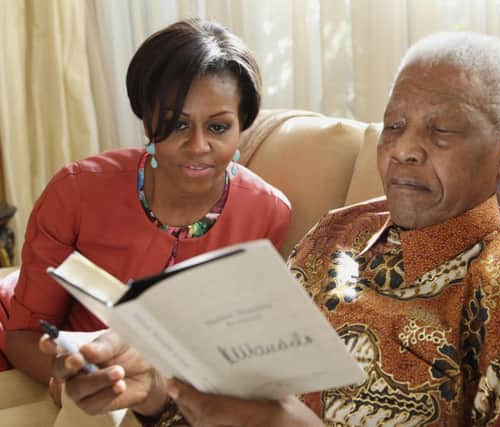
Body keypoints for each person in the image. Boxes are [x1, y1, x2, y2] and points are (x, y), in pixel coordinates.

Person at [40, 32, 500, 426]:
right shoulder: (337, 236)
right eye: (395, 125)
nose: (403, 150)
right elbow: (240, 385)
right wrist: (153, 394)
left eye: (442, 130)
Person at [2, 17, 291, 411]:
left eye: (219, 127)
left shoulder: (268, 213)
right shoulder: (76, 190)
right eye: (176, 124)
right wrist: (70, 375)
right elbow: (23, 333)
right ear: (147, 117)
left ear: (242, 126)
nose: (198, 145)